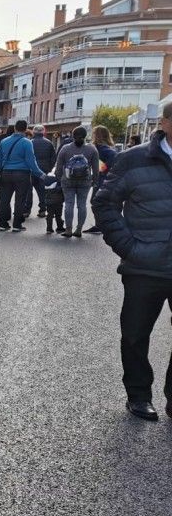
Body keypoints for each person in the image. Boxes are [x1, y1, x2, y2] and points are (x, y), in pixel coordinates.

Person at [92, 101, 172, 421]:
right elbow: (105, 203)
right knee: (136, 334)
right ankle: (138, 395)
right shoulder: (133, 159)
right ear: (165, 123)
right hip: (144, 265)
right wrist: (128, 247)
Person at [0, 119, 45, 232]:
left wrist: (1, 169)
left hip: (6, 173)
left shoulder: (4, 141)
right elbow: (31, 162)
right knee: (20, 199)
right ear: (26, 129)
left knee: (4, 199)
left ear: (15, 128)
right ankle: (17, 224)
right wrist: (41, 175)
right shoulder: (27, 143)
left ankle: (3, 222)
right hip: (22, 174)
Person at [54, 125, 100, 237]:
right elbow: (95, 168)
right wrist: (94, 181)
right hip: (85, 181)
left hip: (68, 180)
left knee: (69, 204)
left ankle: (68, 230)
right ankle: (79, 229)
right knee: (82, 205)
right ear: (85, 136)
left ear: (72, 136)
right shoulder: (92, 149)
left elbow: (58, 167)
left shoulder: (65, 149)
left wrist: (59, 179)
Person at [84, 125, 117, 234]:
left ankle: (102, 225)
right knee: (98, 202)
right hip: (105, 179)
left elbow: (105, 167)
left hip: (102, 180)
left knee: (96, 202)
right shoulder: (109, 150)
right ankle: (102, 224)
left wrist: (96, 165)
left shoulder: (101, 150)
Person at [31, 124, 57, 218]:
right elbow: (53, 158)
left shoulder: (30, 142)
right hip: (43, 171)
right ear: (43, 132)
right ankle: (42, 210)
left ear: (34, 132)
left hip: (31, 170)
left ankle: (26, 210)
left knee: (28, 192)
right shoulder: (49, 143)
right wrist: (49, 168)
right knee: (42, 191)